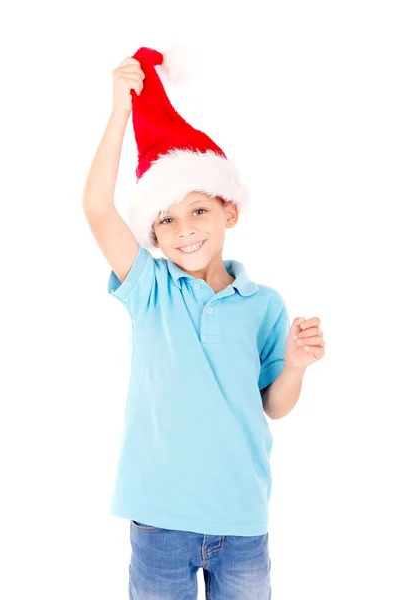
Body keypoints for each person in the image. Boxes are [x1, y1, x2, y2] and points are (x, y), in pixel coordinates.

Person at [82, 46, 326, 600]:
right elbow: (98, 208)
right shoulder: (151, 289)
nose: (185, 229)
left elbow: (274, 404)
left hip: (241, 521)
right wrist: (120, 112)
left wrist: (296, 365)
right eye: (166, 219)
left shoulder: (263, 304)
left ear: (228, 212)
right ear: (154, 236)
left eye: (199, 210)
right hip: (159, 522)